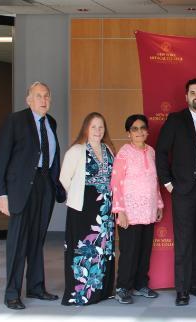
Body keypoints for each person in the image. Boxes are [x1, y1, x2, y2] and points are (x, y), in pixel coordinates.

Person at [0, 81, 65, 310]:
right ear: (29, 99)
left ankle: (36, 286)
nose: (43, 100)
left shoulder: (51, 122)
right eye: (38, 96)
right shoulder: (15, 121)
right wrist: (1, 194)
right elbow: (1, 157)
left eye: (46, 96)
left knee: (37, 239)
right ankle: (12, 293)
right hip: (21, 188)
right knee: (17, 242)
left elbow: (53, 156)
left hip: (44, 185)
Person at [155, 78, 196, 306]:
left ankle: (194, 285)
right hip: (183, 190)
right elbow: (161, 153)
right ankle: (182, 290)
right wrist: (169, 184)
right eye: (192, 92)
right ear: (186, 96)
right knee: (184, 241)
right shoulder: (175, 120)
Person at [59, 112, 116, 305]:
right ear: (86, 128)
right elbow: (64, 180)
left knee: (103, 250)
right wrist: (77, 199)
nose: (98, 131)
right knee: (85, 250)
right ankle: (80, 294)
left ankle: (102, 292)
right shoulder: (76, 151)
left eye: (101, 127)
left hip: (105, 211)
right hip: (83, 210)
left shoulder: (108, 149)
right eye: (93, 127)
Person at [111, 114, 163, 304]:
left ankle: (140, 285)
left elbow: (154, 181)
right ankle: (122, 287)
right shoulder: (124, 153)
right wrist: (120, 211)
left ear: (147, 131)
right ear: (128, 134)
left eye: (142, 128)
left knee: (144, 250)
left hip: (148, 211)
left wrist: (158, 204)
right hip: (130, 213)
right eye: (135, 129)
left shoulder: (151, 151)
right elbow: (115, 183)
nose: (139, 131)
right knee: (129, 251)